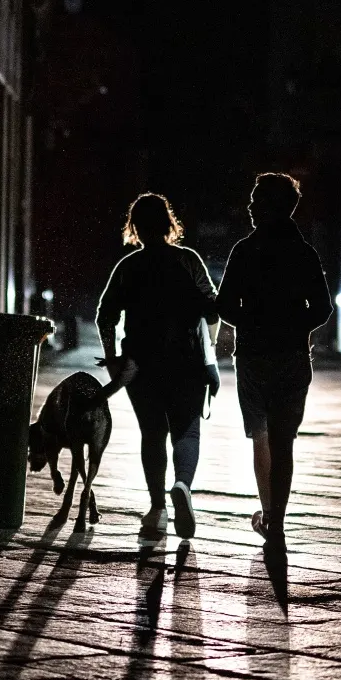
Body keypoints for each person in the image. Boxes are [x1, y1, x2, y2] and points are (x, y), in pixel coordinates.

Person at [215, 172, 333, 545]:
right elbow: (323, 309)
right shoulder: (304, 252)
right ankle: (277, 522)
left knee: (260, 437)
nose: (249, 205)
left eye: (255, 199)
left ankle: (268, 515)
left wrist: (251, 322)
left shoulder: (245, 250)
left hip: (252, 357)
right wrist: (296, 327)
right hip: (294, 357)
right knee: (284, 442)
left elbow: (223, 305)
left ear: (269, 206)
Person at [96, 192, 221, 537]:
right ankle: (182, 485)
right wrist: (209, 355)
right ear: (170, 224)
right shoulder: (189, 261)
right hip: (188, 361)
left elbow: (104, 316)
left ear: (134, 227)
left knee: (152, 433)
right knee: (187, 430)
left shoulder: (128, 267)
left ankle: (157, 509)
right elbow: (213, 310)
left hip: (141, 363)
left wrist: (113, 361)